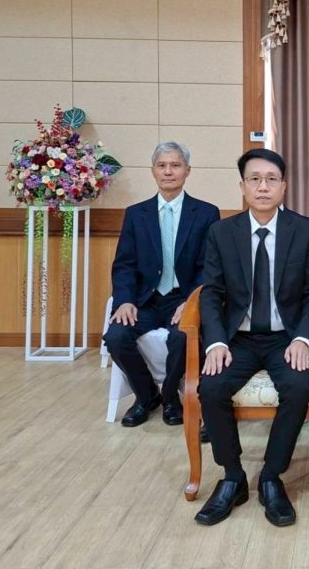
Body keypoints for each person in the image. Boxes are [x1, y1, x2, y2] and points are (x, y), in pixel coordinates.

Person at [195, 148, 309, 528]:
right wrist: (216, 342)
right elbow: (211, 293)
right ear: (242, 186)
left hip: (286, 338)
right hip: (238, 338)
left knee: (298, 387)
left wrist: (303, 340)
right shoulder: (222, 233)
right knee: (211, 387)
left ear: (284, 186)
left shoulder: (302, 230)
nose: (263, 187)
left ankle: (271, 475)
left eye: (272, 179)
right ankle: (233, 476)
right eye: (255, 179)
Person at [103, 141, 220, 428]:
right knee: (116, 336)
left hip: (182, 298)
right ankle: (147, 396)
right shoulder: (136, 213)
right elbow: (124, 264)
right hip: (145, 300)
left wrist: (191, 301)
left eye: (175, 165)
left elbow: (209, 267)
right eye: (162, 166)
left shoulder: (206, 213)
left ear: (187, 170)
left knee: (182, 337)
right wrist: (125, 300)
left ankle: (170, 398)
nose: (168, 171)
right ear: (153, 171)